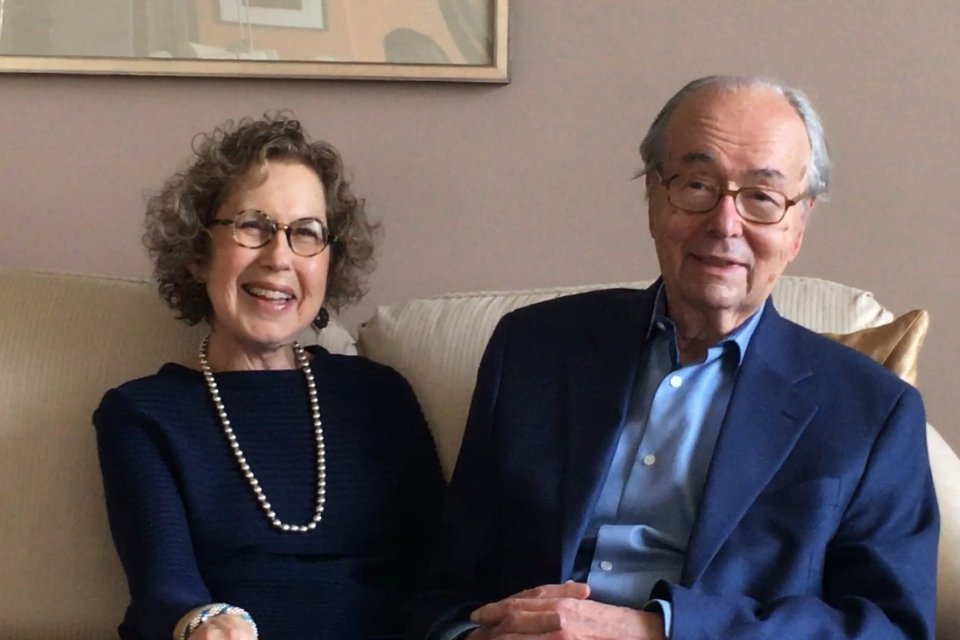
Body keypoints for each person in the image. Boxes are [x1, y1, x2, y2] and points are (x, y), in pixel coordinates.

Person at [408, 76, 939, 640]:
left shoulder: (871, 411)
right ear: (655, 198)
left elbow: (890, 628)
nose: (725, 224)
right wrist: (476, 636)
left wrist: (656, 630)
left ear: (797, 225)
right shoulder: (533, 350)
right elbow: (440, 587)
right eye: (696, 185)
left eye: (761, 197)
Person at [93, 113, 445, 640]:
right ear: (197, 252)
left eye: (306, 233)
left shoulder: (380, 397)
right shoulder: (143, 415)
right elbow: (163, 589)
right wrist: (203, 624)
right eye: (252, 226)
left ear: (329, 262)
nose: (279, 257)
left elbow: (441, 577)